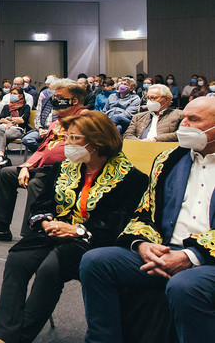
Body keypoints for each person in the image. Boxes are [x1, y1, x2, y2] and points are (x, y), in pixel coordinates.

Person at [0, 111, 148, 343]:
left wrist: (76, 230)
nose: (67, 144)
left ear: (98, 141)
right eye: (67, 137)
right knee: (17, 260)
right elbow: (42, 203)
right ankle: (3, 335)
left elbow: (120, 222)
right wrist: (46, 221)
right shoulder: (64, 168)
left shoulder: (132, 178)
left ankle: (17, 338)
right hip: (53, 232)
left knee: (49, 269)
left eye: (75, 139)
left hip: (93, 241)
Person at [80, 97, 215, 343]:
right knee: (96, 261)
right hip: (163, 249)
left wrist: (190, 256)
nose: (182, 125)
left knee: (185, 285)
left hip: (208, 260)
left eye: (193, 120)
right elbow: (145, 211)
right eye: (183, 117)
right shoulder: (168, 160)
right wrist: (143, 245)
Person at [0, 79, 88, 241]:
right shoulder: (56, 123)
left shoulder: (86, 120)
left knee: (36, 184)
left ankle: (33, 234)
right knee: (7, 174)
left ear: (74, 100)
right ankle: (1, 229)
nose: (54, 100)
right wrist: (26, 166)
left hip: (69, 172)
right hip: (44, 168)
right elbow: (43, 149)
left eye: (59, 97)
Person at [0, 86, 32, 171]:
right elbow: (0, 120)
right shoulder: (6, 107)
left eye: (14, 94)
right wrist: (13, 121)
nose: (12, 95)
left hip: (18, 130)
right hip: (4, 129)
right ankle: (1, 158)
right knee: (0, 132)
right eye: (11, 93)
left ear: (20, 96)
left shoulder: (25, 107)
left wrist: (9, 119)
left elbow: (22, 120)